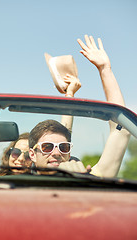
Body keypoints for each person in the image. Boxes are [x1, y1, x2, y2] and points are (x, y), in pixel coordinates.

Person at [29, 35, 130, 177]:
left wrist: (105, 69)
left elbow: (121, 129)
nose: (57, 153)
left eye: (64, 147)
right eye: (47, 147)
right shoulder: (15, 187)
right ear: (32, 154)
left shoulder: (90, 178)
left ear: (69, 152)